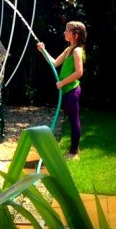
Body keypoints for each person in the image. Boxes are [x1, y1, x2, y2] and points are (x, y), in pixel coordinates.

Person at [37, 21, 86, 160]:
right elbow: (54, 63)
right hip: (66, 91)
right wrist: (43, 50)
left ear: (75, 35)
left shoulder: (77, 50)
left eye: (67, 30)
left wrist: (62, 83)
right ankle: (75, 149)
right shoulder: (68, 50)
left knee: (74, 120)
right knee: (72, 120)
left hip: (72, 90)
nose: (64, 32)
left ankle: (73, 153)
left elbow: (79, 72)